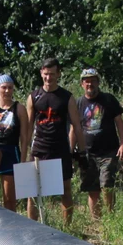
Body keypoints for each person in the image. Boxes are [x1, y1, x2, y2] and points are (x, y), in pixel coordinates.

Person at [25, 57, 87, 224]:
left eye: (52, 74)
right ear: (41, 73)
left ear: (58, 74)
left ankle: (67, 228)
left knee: (65, 190)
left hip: (60, 149)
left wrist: (82, 152)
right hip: (39, 149)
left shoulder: (67, 97)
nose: (48, 78)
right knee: (33, 191)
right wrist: (24, 152)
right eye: (45, 74)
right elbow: (28, 128)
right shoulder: (33, 97)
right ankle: (33, 227)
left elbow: (77, 126)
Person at [76, 68, 123, 218]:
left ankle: (111, 219)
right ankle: (96, 222)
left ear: (98, 82)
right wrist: (71, 150)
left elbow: (119, 122)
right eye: (86, 81)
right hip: (88, 153)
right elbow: (75, 128)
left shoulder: (109, 99)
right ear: (82, 84)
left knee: (107, 186)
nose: (90, 83)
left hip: (109, 152)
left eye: (93, 80)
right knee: (93, 190)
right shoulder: (78, 103)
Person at [0, 74, 30, 212]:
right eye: (4, 87)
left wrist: (23, 160)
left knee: (9, 199)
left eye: (10, 88)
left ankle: (11, 228)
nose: (7, 91)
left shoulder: (19, 108)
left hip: (9, 153)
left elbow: (24, 137)